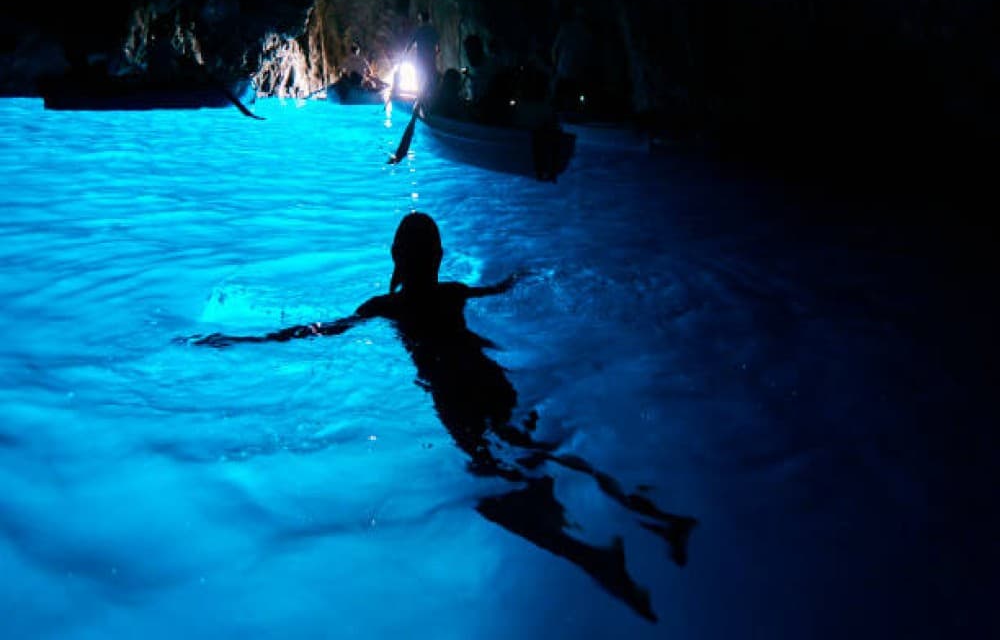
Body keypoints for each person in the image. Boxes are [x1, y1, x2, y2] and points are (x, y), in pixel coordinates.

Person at [185, 212, 695, 622]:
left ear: (396, 258)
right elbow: (497, 289)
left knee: (499, 494)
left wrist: (245, 339)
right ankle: (656, 518)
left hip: (456, 394)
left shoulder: (387, 306)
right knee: (548, 452)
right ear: (440, 256)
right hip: (494, 380)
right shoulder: (452, 291)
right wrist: (521, 273)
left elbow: (320, 331)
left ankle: (594, 559)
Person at [405, 9, 440, 100]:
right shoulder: (433, 30)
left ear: (420, 19)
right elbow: (438, 47)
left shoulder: (418, 30)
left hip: (421, 59)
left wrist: (404, 54)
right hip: (431, 58)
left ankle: (421, 98)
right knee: (431, 78)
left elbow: (410, 44)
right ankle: (432, 98)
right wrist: (434, 54)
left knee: (420, 78)